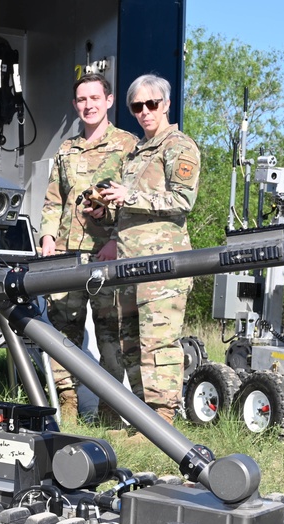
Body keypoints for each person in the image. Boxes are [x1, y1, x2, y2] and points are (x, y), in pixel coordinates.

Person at [99, 73, 200, 431]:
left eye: (151, 104)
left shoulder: (179, 147)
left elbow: (182, 200)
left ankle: (162, 420)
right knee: (130, 342)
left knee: (159, 342)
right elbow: (130, 208)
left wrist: (131, 197)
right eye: (137, 107)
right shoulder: (137, 152)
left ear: (166, 104)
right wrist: (107, 206)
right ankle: (143, 419)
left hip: (163, 265)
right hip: (130, 263)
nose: (144, 112)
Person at [39, 72, 138, 424]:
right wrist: (48, 237)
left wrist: (114, 239)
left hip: (105, 255)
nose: (88, 105)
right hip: (66, 254)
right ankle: (68, 405)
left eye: (95, 98)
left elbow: (134, 203)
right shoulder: (66, 150)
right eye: (82, 100)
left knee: (112, 332)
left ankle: (112, 411)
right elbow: (53, 199)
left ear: (109, 101)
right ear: (75, 105)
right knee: (62, 330)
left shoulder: (129, 146)